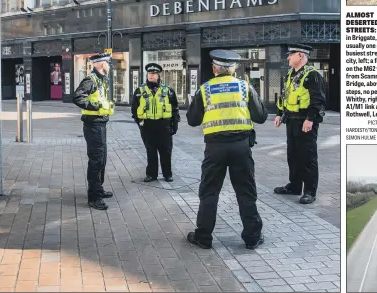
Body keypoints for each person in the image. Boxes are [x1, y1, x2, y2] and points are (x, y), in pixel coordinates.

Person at [186, 50, 268, 250]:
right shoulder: (244, 87)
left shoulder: (204, 89)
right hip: (241, 147)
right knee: (246, 192)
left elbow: (192, 120)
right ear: (234, 69)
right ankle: (252, 237)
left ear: (215, 69)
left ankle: (203, 236)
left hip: (214, 149)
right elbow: (261, 117)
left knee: (209, 192)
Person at [274, 44, 326, 204]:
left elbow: (318, 100)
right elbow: (285, 96)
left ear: (301, 56)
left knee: (307, 157)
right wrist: (279, 114)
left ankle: (310, 191)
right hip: (291, 120)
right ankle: (294, 186)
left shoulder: (312, 75)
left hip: (305, 121)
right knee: (293, 156)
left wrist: (310, 119)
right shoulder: (290, 74)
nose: (288, 57)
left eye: (291, 54)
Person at [73, 53, 114, 210]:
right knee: (96, 160)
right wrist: (95, 107)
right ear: (100, 64)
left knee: (102, 159)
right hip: (93, 125)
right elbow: (77, 97)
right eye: (106, 62)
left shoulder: (101, 79)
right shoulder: (90, 80)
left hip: (100, 124)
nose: (108, 65)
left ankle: (99, 189)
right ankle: (94, 197)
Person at [131, 63, 180, 182]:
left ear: (159, 75)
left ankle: (167, 174)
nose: (152, 76)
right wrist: (140, 124)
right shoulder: (140, 91)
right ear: (147, 75)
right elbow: (134, 109)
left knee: (166, 151)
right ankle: (151, 174)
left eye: (154, 74)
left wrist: (174, 125)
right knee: (150, 151)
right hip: (147, 126)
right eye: (150, 74)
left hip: (164, 125)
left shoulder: (168, 91)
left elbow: (175, 109)